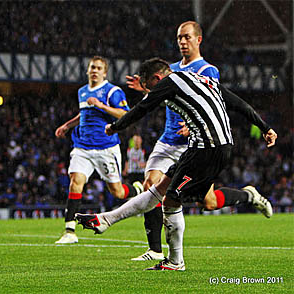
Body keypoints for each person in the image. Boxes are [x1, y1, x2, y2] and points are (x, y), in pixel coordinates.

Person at [76, 58, 277, 271]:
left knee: (171, 201)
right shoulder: (202, 80)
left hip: (208, 148)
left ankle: (175, 261)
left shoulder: (169, 82)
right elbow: (238, 103)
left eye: (150, 87)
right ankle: (105, 220)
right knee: (162, 189)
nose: (153, 92)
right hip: (209, 146)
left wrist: (115, 127)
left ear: (157, 78)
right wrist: (264, 127)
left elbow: (142, 109)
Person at [126, 21, 221, 261]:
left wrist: (194, 128)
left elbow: (216, 105)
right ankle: (155, 250)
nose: (182, 42)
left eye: (187, 37)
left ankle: (248, 196)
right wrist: (147, 90)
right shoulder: (171, 69)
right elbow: (161, 98)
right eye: (179, 38)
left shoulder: (208, 70)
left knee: (208, 202)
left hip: (194, 144)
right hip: (168, 141)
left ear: (198, 40)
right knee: (151, 184)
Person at [54, 56, 143, 244]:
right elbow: (84, 114)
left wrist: (102, 105)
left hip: (106, 148)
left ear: (105, 72)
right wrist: (67, 125)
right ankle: (69, 231)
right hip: (83, 147)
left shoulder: (113, 91)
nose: (94, 70)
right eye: (92, 67)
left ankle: (137, 190)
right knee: (75, 181)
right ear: (87, 70)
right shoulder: (82, 92)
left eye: (99, 68)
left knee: (117, 192)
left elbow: (126, 114)